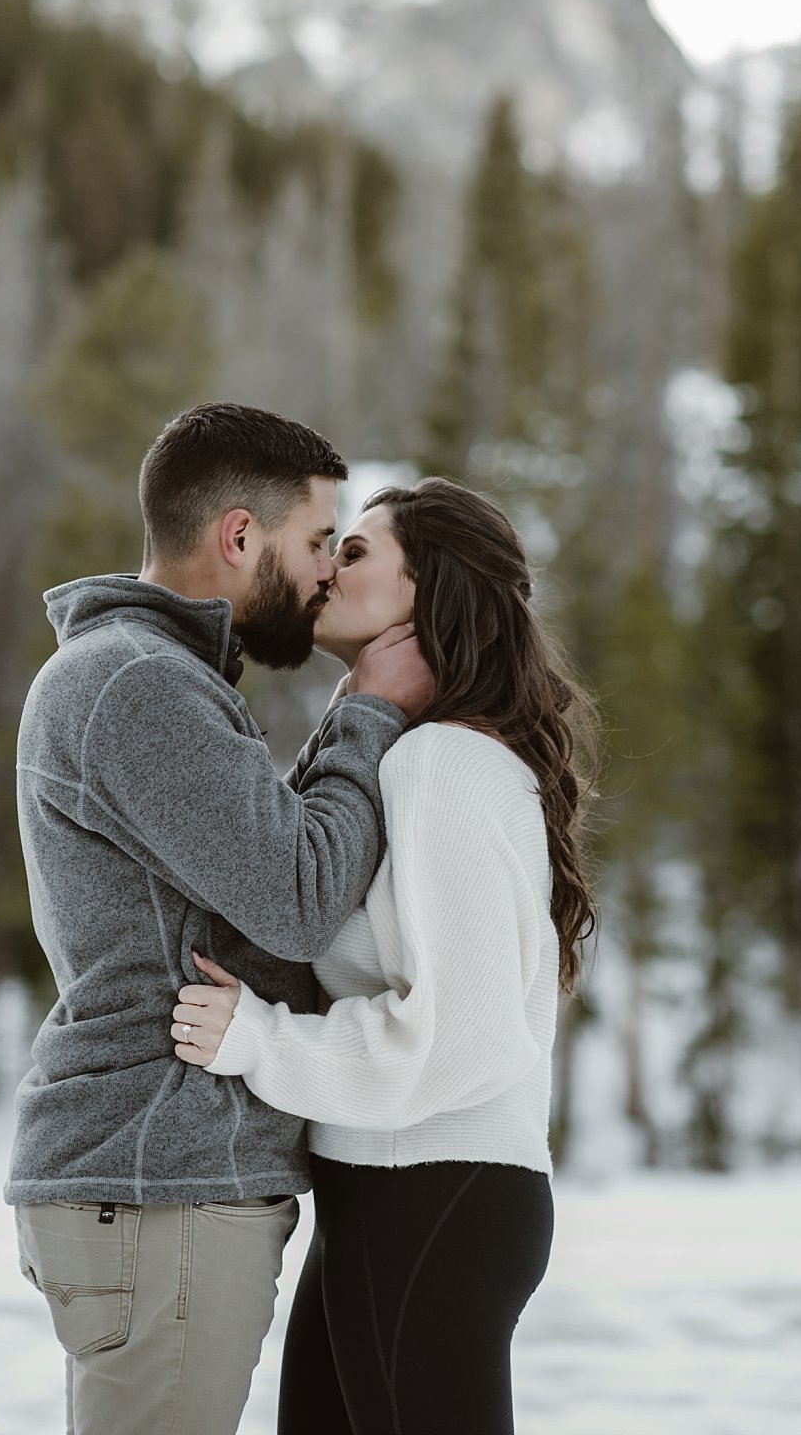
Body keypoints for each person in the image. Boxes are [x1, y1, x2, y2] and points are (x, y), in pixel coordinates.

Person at [5, 403, 435, 1435]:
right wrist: (370, 708)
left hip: (158, 1176)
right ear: (240, 537)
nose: (329, 570)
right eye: (318, 542)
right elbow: (294, 895)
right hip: (165, 1177)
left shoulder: (148, 676)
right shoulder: (141, 683)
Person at [170, 477, 599, 1435]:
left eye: (356, 552)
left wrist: (262, 1041)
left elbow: (467, 1034)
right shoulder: (416, 756)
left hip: (435, 1189)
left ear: (429, 590)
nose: (327, 569)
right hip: (389, 1187)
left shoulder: (442, 767)